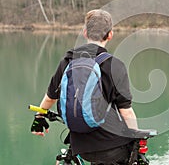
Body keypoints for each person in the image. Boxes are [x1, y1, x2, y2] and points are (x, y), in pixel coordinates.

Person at [30, 9, 138, 164]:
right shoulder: (115, 66)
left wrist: (39, 117)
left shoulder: (67, 61)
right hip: (113, 148)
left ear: (85, 33)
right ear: (110, 35)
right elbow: (126, 111)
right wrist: (135, 135)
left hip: (81, 147)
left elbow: (50, 98)